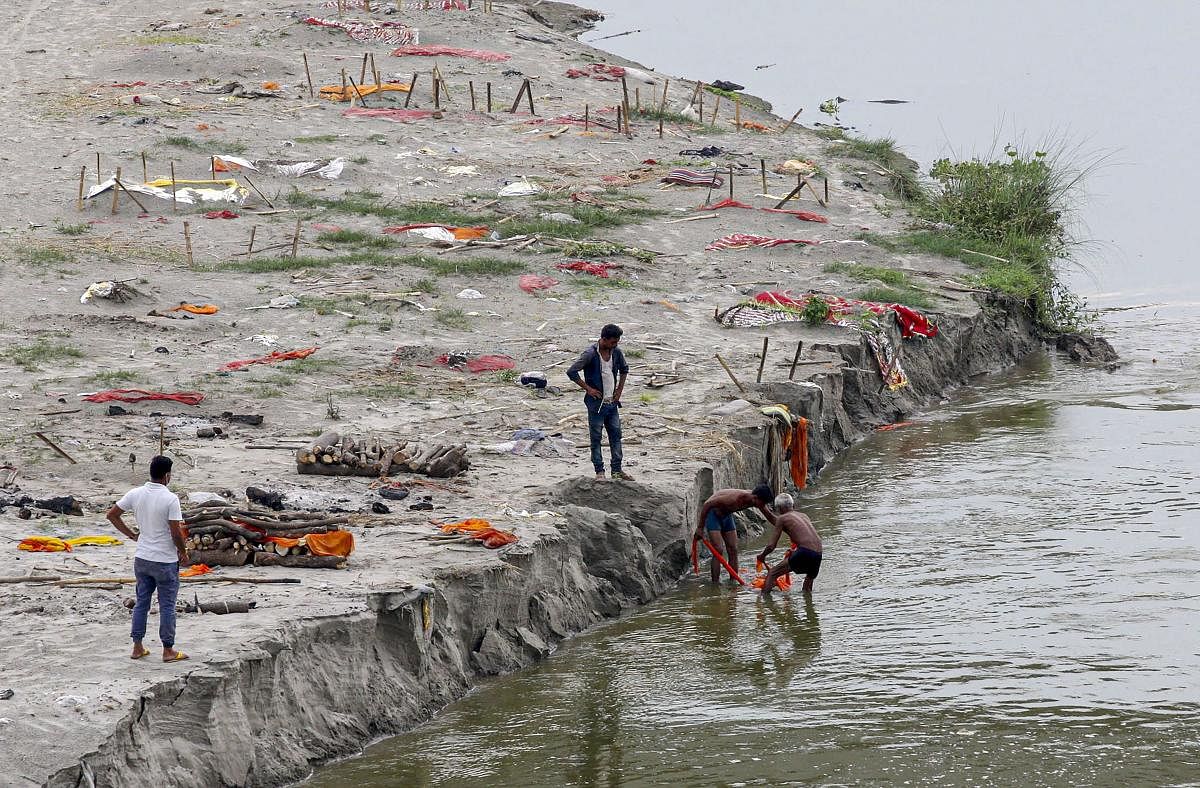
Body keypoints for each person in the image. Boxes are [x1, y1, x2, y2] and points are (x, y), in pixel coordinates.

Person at [107, 455, 190, 662]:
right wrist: (184, 551)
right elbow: (175, 532)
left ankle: (137, 647)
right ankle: (168, 649)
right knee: (167, 605)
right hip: (164, 560)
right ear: (167, 476)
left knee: (142, 603)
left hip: (142, 557)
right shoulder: (170, 499)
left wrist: (132, 535)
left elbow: (112, 515)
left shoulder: (136, 494)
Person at [567, 323, 631, 480]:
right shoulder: (590, 354)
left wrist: (619, 390)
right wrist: (588, 389)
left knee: (616, 436)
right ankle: (599, 471)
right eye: (612, 342)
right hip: (596, 405)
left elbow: (624, 369)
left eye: (616, 342)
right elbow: (572, 371)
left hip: (612, 404)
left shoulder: (616, 353)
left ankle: (616, 470)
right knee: (596, 438)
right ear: (603, 339)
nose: (614, 345)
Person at [694, 484, 775, 584]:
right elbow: (707, 504)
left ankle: (734, 581)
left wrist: (788, 527)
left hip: (727, 516)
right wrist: (700, 527)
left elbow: (770, 517)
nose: (763, 507)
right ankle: (715, 584)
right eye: (763, 504)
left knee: (733, 549)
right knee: (718, 550)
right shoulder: (733, 498)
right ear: (755, 498)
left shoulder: (756, 501)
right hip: (713, 515)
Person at [757, 493, 823, 594]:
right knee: (807, 589)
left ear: (779, 509)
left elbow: (771, 546)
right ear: (793, 506)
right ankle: (809, 607)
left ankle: (764, 604)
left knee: (772, 573)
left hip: (805, 551)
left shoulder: (782, 519)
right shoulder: (804, 516)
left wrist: (762, 556)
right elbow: (803, 536)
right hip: (819, 552)